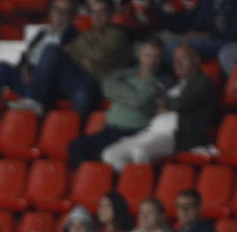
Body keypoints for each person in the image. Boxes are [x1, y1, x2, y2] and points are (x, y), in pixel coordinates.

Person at [103, 42, 215, 170]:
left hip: (176, 136)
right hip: (151, 131)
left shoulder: (204, 83)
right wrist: (166, 104)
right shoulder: (171, 83)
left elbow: (181, 103)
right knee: (111, 154)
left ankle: (144, 185)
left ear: (196, 60)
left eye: (183, 58)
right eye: (175, 60)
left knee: (139, 151)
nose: (177, 63)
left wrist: (163, 103)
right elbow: (148, 107)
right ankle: (130, 183)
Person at [15, 0, 130, 120]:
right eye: (93, 12)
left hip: (100, 81)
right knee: (52, 51)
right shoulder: (86, 34)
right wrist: (85, 57)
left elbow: (98, 55)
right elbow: (69, 51)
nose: (97, 16)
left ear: (111, 15)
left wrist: (82, 53)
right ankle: (36, 103)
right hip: (80, 76)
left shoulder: (118, 35)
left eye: (102, 12)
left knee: (82, 92)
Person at [67, 37, 166, 166]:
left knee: (107, 154)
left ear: (159, 60)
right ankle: (90, 179)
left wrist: (119, 93)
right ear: (140, 55)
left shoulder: (159, 80)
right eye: (147, 55)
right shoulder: (127, 73)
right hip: (110, 130)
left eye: (154, 56)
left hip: (133, 132)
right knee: (75, 147)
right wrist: (131, 94)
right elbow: (107, 85)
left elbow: (139, 100)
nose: (150, 60)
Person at [0, 0, 77, 109]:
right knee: (1, 67)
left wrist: (35, 72)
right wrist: (25, 68)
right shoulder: (42, 33)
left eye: (65, 11)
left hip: (48, 87)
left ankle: (34, 102)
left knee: (50, 51)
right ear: (50, 11)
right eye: (56, 9)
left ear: (72, 15)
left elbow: (64, 65)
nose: (60, 14)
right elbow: (26, 56)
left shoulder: (74, 36)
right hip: (27, 80)